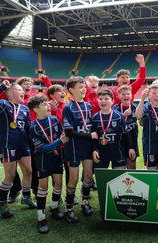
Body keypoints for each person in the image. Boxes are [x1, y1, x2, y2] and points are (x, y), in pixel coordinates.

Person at [0, 80, 37, 218]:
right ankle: (2, 202)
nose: (22, 92)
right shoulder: (3, 105)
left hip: (23, 145)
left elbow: (27, 128)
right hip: (8, 144)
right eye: (19, 90)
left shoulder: (25, 109)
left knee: (28, 170)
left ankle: (26, 197)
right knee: (11, 175)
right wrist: (2, 87)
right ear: (10, 93)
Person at [28, 95, 69, 233]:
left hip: (57, 157)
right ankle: (41, 218)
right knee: (43, 186)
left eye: (47, 104)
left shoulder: (54, 119)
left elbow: (61, 133)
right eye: (44, 105)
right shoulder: (33, 127)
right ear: (36, 109)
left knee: (58, 183)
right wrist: (60, 142)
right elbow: (41, 149)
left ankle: (54, 207)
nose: (48, 106)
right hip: (43, 159)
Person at [63, 76, 98, 223]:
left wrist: (91, 139)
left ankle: (85, 201)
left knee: (88, 176)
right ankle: (69, 209)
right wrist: (89, 135)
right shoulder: (68, 107)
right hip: (73, 148)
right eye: (80, 87)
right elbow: (69, 132)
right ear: (71, 90)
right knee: (74, 178)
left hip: (87, 147)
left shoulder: (89, 106)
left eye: (84, 87)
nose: (84, 89)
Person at [91, 89, 136, 169]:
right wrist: (94, 150)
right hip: (101, 153)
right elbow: (94, 137)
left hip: (117, 152)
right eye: (100, 99)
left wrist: (131, 148)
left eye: (106, 99)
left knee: (119, 177)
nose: (103, 101)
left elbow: (125, 133)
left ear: (112, 101)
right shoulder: (95, 118)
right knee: (102, 178)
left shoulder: (118, 116)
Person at [113, 85, 139, 169]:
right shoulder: (115, 109)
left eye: (128, 94)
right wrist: (123, 115)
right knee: (120, 168)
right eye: (123, 94)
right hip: (119, 142)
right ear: (118, 96)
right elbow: (113, 124)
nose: (126, 96)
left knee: (132, 167)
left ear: (131, 95)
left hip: (132, 140)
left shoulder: (135, 107)